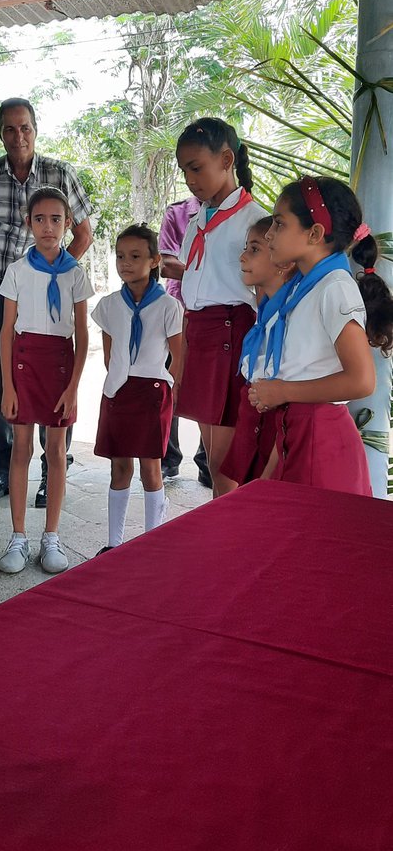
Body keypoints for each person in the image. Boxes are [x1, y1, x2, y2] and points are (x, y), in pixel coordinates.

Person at [0, 99, 92, 505]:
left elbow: (83, 233)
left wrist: (52, 275)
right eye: (9, 129)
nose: (18, 136)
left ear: (35, 130)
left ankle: (52, 465)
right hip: (4, 285)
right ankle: (5, 464)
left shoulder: (60, 173)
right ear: (0, 132)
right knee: (1, 376)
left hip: (53, 291)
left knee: (55, 373)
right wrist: (20, 278)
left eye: (25, 128)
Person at [248, 176, 393, 494]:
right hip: (298, 432)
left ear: (314, 234)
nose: (270, 234)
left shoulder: (335, 287)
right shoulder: (303, 285)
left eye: (279, 224)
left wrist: (282, 390)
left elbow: (361, 381)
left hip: (322, 444)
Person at [0, 188, 92, 575]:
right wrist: (7, 385)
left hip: (59, 366)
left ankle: (50, 535)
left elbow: (82, 335)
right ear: (28, 224)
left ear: (68, 224)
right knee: (20, 449)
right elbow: (6, 332)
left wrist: (73, 387)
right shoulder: (18, 271)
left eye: (56, 219)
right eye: (40, 219)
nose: (48, 227)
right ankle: (18, 536)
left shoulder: (75, 273)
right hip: (23, 366)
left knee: (55, 452)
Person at [175, 118, 267, 495]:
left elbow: (265, 294)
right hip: (201, 336)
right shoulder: (198, 218)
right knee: (214, 460)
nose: (190, 179)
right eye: (184, 171)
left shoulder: (255, 220)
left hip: (232, 337)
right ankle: (221, 536)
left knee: (228, 467)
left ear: (226, 159)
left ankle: (228, 543)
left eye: (196, 168)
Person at [92, 224, 183, 553]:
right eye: (120, 256)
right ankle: (114, 544)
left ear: (155, 260)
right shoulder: (109, 305)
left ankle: (150, 543)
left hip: (152, 393)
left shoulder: (169, 307)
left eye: (135, 256)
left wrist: (168, 389)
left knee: (150, 467)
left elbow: (179, 355)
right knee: (119, 467)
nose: (125, 263)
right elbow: (108, 352)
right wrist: (119, 379)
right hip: (118, 392)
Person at [219, 218, 296, 491]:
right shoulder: (264, 314)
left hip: (277, 441)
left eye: (254, 249)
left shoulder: (294, 318)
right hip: (254, 428)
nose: (242, 257)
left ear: (284, 262)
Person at [158, 196, 211, 487]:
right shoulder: (177, 213)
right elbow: (166, 264)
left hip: (214, 314)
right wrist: (210, 270)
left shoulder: (239, 211)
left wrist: (189, 267)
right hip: (176, 311)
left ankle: (207, 462)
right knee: (168, 383)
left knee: (210, 387)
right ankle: (168, 459)